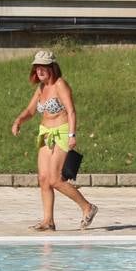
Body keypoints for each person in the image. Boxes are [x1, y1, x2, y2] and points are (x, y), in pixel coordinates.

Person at [10, 50, 98, 232]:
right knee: (43, 179)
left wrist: (72, 135)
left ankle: (87, 207)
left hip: (62, 132)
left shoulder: (60, 85)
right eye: (37, 67)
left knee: (56, 179)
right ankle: (48, 221)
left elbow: (71, 111)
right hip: (45, 133)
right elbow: (31, 110)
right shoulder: (41, 88)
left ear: (52, 68)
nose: (40, 71)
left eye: (43, 67)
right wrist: (19, 120)